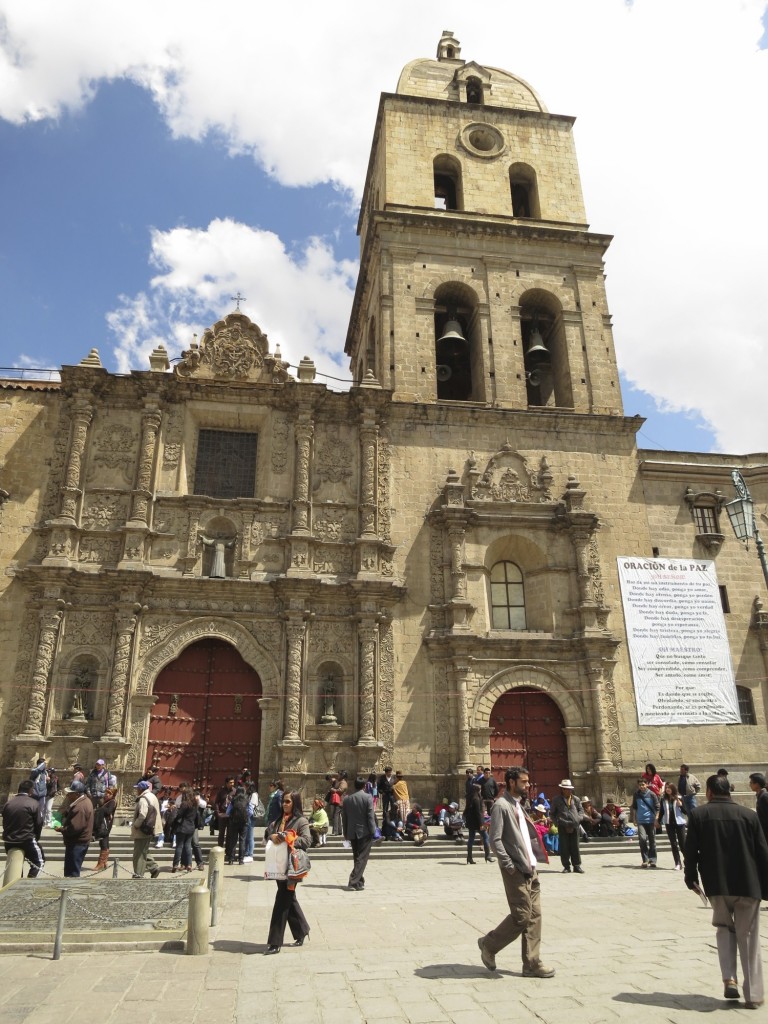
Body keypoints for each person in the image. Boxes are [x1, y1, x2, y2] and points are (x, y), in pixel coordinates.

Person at [685, 774, 768, 1010]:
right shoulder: (749, 816)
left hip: (717, 885)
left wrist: (690, 877)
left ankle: (729, 978)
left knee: (723, 929)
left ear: (709, 792)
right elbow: (763, 853)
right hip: (749, 885)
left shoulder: (699, 815)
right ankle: (753, 995)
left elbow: (690, 851)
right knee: (749, 937)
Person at [477, 765, 554, 978]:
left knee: (534, 916)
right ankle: (489, 945)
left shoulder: (519, 805)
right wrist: (508, 865)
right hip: (516, 870)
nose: (528, 785)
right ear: (512, 782)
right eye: (524, 782)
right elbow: (495, 839)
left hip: (530, 868)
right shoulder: (501, 806)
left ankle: (531, 963)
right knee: (521, 916)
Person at [264, 791, 311, 953]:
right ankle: (302, 930)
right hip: (278, 866)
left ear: (295, 803)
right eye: (283, 801)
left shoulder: (301, 821)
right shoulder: (278, 821)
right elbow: (268, 834)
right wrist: (272, 836)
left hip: (292, 867)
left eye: (288, 802)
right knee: (289, 899)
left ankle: (275, 942)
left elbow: (306, 840)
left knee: (281, 901)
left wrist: (287, 838)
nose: (284, 804)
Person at [2, 780, 45, 877]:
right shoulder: (33, 803)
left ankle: (15, 884)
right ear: (31, 790)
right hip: (26, 839)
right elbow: (39, 823)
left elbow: (5, 822)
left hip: (9, 841)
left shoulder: (8, 804)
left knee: (14, 866)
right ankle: (28, 884)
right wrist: (36, 837)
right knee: (39, 862)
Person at [342, 776, 377, 890]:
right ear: (364, 786)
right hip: (365, 832)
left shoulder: (347, 799)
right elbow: (370, 817)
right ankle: (353, 881)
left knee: (357, 857)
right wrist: (373, 831)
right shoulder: (367, 797)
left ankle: (359, 881)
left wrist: (345, 833)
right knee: (362, 858)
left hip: (352, 832)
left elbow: (344, 818)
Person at [56, 780, 93, 877]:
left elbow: (75, 828)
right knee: (73, 869)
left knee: (72, 872)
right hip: (80, 842)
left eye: (70, 793)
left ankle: (70, 890)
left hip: (77, 843)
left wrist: (62, 829)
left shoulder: (80, 806)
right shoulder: (85, 801)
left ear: (76, 794)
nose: (68, 796)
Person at [549, 779, 585, 874]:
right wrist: (557, 822)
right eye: (567, 789)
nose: (569, 791)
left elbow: (581, 810)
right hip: (562, 825)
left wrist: (579, 818)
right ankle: (566, 866)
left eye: (570, 789)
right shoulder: (556, 800)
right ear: (562, 789)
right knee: (564, 846)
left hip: (574, 825)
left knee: (575, 846)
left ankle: (577, 865)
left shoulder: (576, 799)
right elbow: (552, 813)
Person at [131, 780, 161, 879]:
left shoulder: (143, 799)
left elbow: (142, 815)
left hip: (142, 829)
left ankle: (139, 874)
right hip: (150, 827)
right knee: (144, 850)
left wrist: (136, 825)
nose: (136, 790)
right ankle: (153, 868)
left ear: (140, 789)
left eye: (137, 789)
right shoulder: (153, 796)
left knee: (139, 853)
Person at [631, 779, 660, 867]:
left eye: (643, 784)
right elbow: (634, 807)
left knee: (652, 840)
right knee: (642, 839)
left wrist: (656, 819)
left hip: (651, 820)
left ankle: (653, 860)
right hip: (641, 820)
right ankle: (645, 859)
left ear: (647, 784)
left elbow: (658, 807)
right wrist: (634, 818)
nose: (642, 787)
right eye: (640, 785)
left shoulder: (652, 794)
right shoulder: (636, 794)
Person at [659, 781, 687, 870]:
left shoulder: (679, 798)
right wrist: (658, 821)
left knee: (682, 843)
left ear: (673, 789)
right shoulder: (663, 799)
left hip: (679, 823)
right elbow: (662, 811)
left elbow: (686, 811)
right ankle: (677, 863)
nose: (667, 789)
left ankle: (687, 860)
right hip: (669, 823)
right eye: (666, 788)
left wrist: (681, 806)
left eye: (669, 787)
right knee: (673, 844)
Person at [464, 782, 492, 864]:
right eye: (479, 790)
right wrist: (481, 824)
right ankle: (488, 856)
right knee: (486, 837)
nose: (480, 791)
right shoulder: (476, 799)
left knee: (471, 839)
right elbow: (478, 813)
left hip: (471, 823)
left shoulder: (470, 798)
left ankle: (469, 857)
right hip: (478, 823)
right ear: (477, 790)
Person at [172, 786, 199, 872]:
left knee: (179, 846)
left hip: (183, 826)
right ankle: (189, 864)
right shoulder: (195, 804)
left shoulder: (185, 804)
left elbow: (179, 815)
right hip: (191, 826)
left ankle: (175, 864)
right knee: (188, 846)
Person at [225, 785, 252, 866]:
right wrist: (246, 816)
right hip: (244, 823)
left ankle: (231, 859)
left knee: (233, 840)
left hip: (234, 822)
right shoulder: (247, 800)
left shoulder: (233, 800)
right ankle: (241, 860)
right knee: (242, 840)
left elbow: (227, 812)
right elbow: (251, 812)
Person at [92, 785, 116, 872]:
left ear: (112, 795)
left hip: (106, 825)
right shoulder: (106, 802)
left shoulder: (112, 802)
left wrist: (99, 810)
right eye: (106, 793)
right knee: (104, 842)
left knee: (103, 842)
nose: (106, 795)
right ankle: (104, 862)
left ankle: (101, 863)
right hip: (104, 824)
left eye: (109, 794)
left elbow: (109, 811)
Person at [748, 772, 768, 845]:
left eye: (751, 782)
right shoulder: (761, 796)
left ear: (756, 784)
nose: (749, 785)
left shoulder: (764, 797)